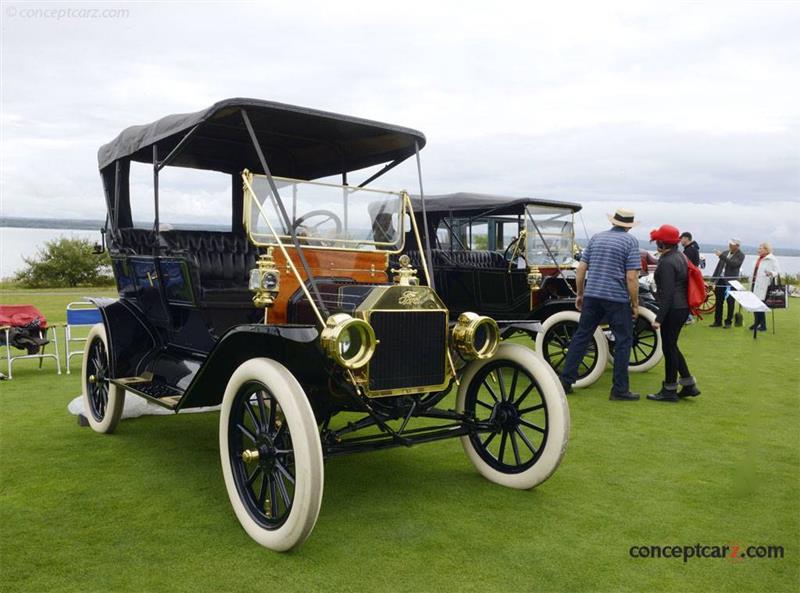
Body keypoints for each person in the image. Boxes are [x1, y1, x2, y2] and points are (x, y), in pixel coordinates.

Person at [559, 208, 641, 401]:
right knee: (623, 341)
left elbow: (581, 270)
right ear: (629, 226)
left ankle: (565, 381)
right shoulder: (630, 242)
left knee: (581, 336)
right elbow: (631, 277)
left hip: (592, 296)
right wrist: (635, 303)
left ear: (614, 222)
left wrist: (580, 293)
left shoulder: (596, 238)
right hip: (616, 298)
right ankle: (619, 389)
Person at [645, 225, 700, 402]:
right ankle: (688, 384)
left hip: (673, 309)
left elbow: (667, 294)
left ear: (662, 243)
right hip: (680, 308)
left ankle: (669, 389)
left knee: (668, 348)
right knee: (672, 346)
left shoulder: (668, 262)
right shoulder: (679, 256)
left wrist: (659, 319)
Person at [710, 238, 745, 328]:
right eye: (729, 244)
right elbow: (719, 267)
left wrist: (721, 256)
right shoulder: (725, 253)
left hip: (731, 282)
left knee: (730, 302)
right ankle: (717, 321)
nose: (729, 245)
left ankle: (728, 322)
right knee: (718, 301)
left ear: (737, 246)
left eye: (732, 244)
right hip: (721, 280)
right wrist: (713, 280)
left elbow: (733, 264)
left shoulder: (741, 255)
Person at [749, 242, 781, 331]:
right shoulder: (758, 259)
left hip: (764, 285)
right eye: (758, 248)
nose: (758, 250)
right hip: (754, 283)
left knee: (760, 304)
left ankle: (762, 325)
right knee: (755, 304)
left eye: (760, 248)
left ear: (766, 250)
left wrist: (771, 273)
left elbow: (777, 271)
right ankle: (757, 323)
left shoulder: (772, 259)